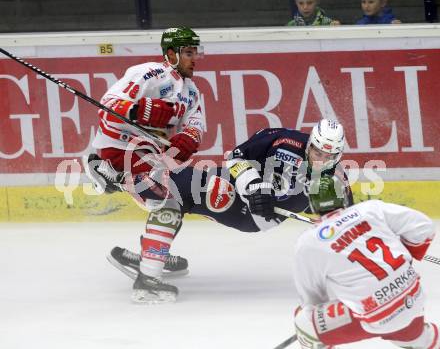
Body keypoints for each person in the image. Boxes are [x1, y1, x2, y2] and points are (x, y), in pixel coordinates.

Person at [85, 119, 353, 302]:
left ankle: (119, 189)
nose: (321, 160)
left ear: (338, 155)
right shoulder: (284, 140)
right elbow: (235, 156)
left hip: (254, 216)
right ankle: (152, 257)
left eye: (329, 157)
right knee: (176, 184)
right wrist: (254, 184)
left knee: (177, 191)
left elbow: (347, 227)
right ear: (310, 143)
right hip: (236, 186)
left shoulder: (335, 182)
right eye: (318, 152)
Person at [84, 26, 205, 304]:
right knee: (168, 202)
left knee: (179, 199)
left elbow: (196, 124)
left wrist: (188, 139)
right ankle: (148, 278)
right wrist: (143, 110)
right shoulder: (149, 73)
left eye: (195, 52)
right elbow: (107, 109)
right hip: (122, 148)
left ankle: (151, 255)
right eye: (188, 52)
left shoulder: (192, 92)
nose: (194, 58)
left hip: (151, 156)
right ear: (171, 54)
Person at [292, 175, 438, 348]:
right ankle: (422, 340)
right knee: (415, 335)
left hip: (376, 314)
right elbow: (424, 227)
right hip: (413, 296)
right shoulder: (370, 209)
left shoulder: (308, 242)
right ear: (344, 195)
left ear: (312, 204)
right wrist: (406, 258)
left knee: (304, 321)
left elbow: (312, 301)